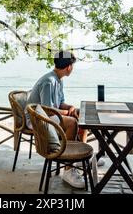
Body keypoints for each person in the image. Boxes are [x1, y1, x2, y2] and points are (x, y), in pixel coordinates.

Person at [25, 50, 86, 189]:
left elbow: (59, 103)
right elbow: (47, 109)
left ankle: (79, 157)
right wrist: (68, 113)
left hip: (48, 115)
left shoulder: (58, 79)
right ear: (69, 67)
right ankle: (68, 169)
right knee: (72, 123)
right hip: (37, 119)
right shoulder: (49, 81)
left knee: (81, 116)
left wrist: (70, 107)